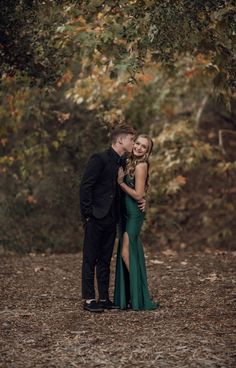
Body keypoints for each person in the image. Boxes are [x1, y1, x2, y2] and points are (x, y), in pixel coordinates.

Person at [80, 124, 145, 313]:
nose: (133, 143)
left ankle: (104, 297)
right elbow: (85, 187)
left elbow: (132, 187)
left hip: (112, 218)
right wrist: (87, 215)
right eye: (132, 140)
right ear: (120, 140)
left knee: (106, 259)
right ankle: (90, 299)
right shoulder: (98, 159)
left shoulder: (123, 162)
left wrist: (143, 200)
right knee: (90, 258)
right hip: (95, 217)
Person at [114, 134, 159, 311]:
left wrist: (120, 183)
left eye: (144, 147)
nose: (139, 148)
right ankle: (133, 295)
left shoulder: (141, 165)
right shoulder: (128, 160)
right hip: (125, 213)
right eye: (138, 143)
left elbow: (138, 195)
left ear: (148, 151)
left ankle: (140, 292)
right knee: (128, 251)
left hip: (134, 214)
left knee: (126, 252)